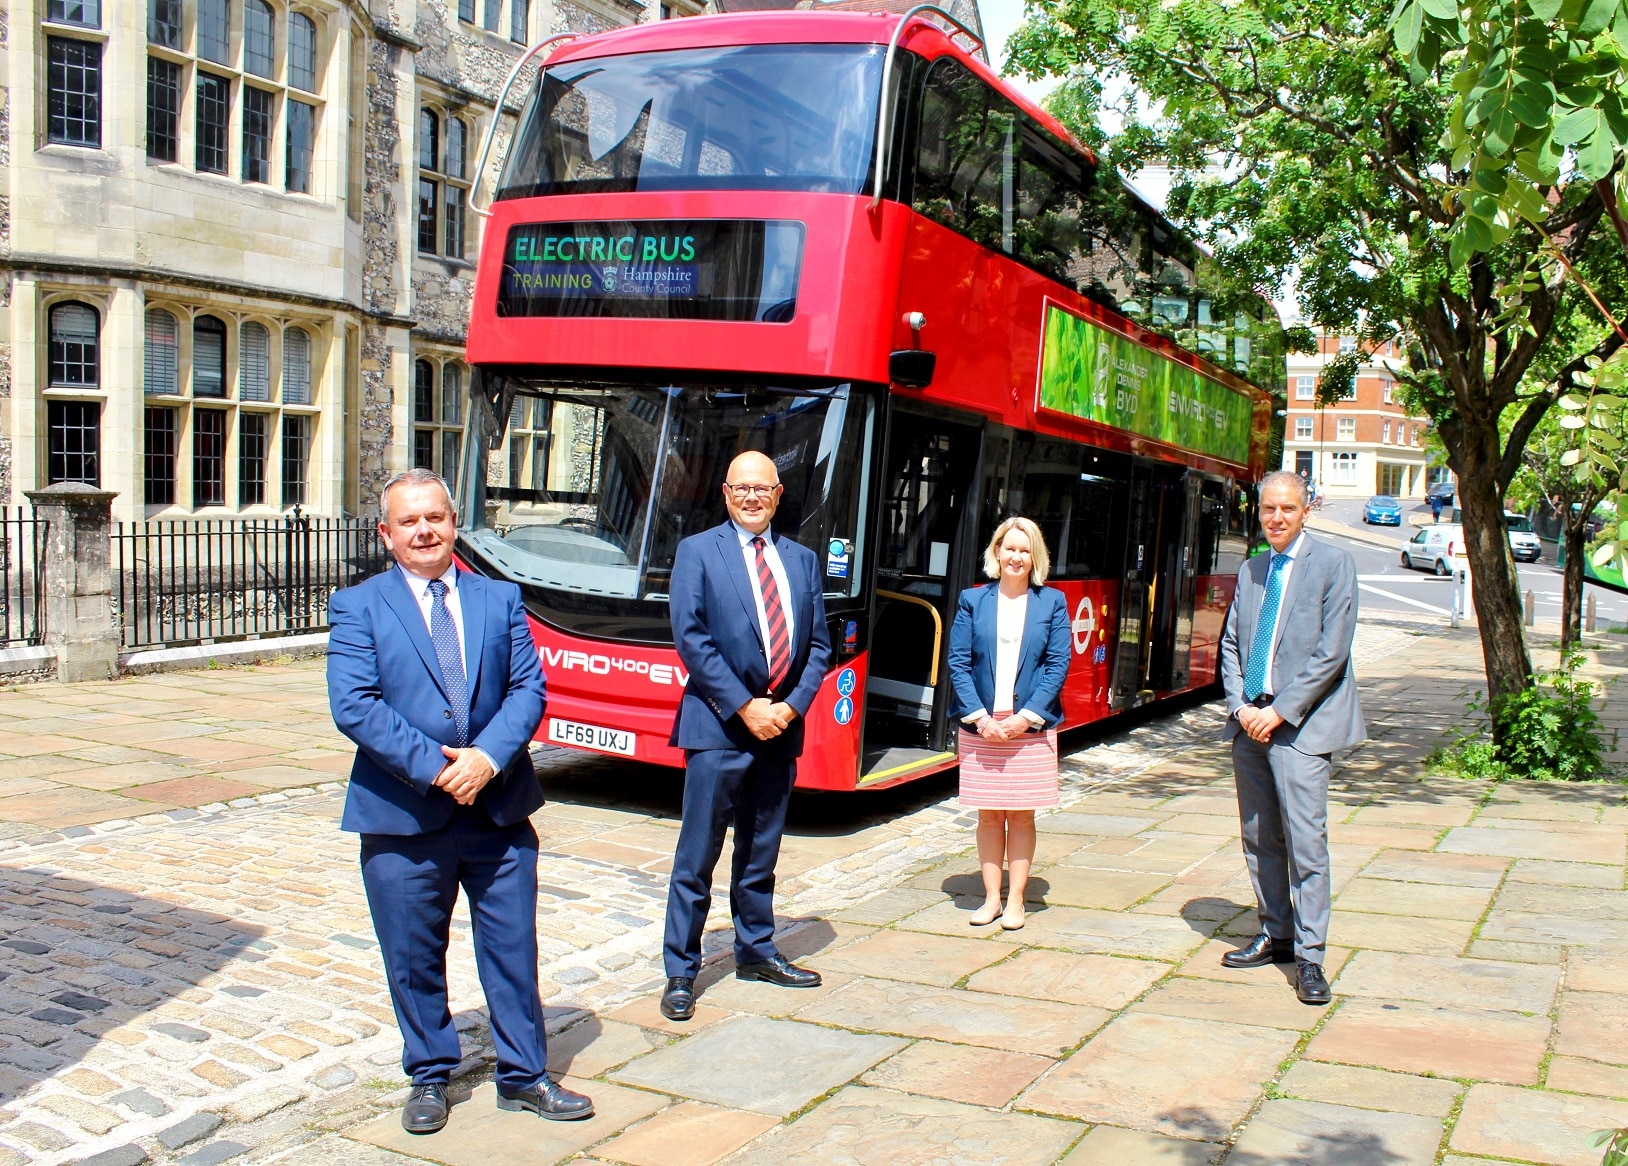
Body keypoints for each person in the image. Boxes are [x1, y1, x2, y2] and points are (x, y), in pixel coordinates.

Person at [327, 468, 592, 1133]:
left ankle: (525, 1075)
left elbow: (529, 690)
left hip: (499, 813)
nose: (424, 530)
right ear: (387, 535)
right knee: (413, 955)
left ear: (454, 524)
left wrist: (486, 759)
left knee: (512, 948)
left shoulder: (499, 600)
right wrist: (441, 770)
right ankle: (428, 1074)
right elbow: (354, 705)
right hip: (404, 815)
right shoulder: (358, 607)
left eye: (435, 518)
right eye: (409, 521)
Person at [658, 450, 834, 1022]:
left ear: (778, 494)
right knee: (698, 855)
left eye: (763, 489)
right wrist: (743, 706)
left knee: (761, 851)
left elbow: (820, 647)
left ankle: (756, 950)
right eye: (742, 489)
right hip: (718, 728)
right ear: (727, 494)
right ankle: (681, 971)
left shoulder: (803, 561)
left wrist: (789, 708)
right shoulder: (698, 552)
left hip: (780, 730)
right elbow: (691, 638)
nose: (753, 498)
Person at [1218, 469, 1365, 1006]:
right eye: (1267, 510)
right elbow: (1232, 644)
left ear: (1306, 511)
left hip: (1302, 726)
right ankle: (1276, 933)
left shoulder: (1334, 565)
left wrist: (1279, 711)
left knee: (1306, 842)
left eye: (1287, 509)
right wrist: (1240, 706)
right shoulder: (1254, 568)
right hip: (1249, 723)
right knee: (1260, 837)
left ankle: (1310, 956)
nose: (1276, 519)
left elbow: (1332, 652)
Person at [946, 517, 1071, 932]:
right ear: (996, 552)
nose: (1016, 556)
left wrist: (1025, 717)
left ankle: (1017, 901)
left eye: (1024, 549)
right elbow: (958, 663)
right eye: (1009, 548)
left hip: (1029, 728)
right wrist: (981, 719)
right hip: (982, 726)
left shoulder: (1052, 602)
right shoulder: (972, 599)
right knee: (987, 817)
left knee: (1020, 816)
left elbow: (1057, 664)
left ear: (1035, 556)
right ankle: (990, 899)